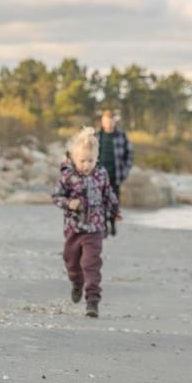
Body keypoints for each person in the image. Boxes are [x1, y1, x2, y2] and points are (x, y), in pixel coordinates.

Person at [52, 127, 121, 317]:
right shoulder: (67, 175)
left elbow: (108, 195)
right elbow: (56, 197)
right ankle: (77, 282)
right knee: (71, 262)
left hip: (95, 228)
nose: (86, 165)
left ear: (97, 158)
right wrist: (69, 203)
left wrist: (115, 210)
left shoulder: (101, 174)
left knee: (91, 263)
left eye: (91, 160)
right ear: (73, 158)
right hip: (74, 228)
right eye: (82, 161)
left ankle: (92, 301)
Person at [97, 107, 133, 235]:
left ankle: (112, 222)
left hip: (115, 175)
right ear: (102, 121)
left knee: (114, 201)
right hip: (99, 176)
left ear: (114, 121)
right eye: (106, 120)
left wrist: (125, 171)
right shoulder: (97, 135)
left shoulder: (121, 136)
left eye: (111, 120)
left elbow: (129, 155)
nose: (108, 123)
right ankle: (103, 225)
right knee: (99, 201)